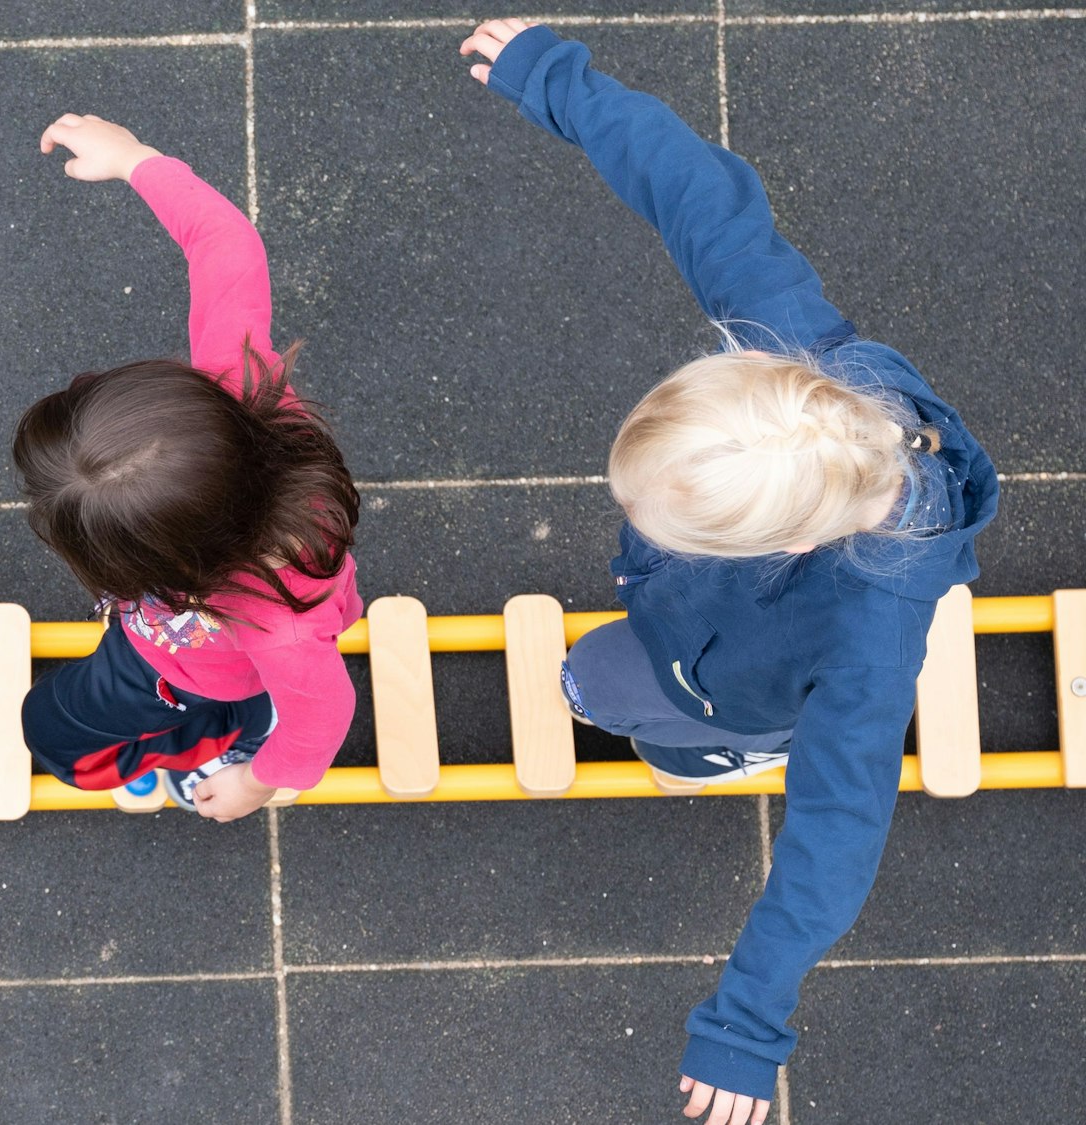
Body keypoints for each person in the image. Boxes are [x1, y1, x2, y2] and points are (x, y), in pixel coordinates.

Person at [462, 20, 999, 1124]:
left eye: (664, 519)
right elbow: (697, 195)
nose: (630, 518)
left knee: (641, 711)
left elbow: (835, 838)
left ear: (786, 543)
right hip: (693, 619)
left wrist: (744, 1026)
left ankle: (725, 749)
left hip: (738, 680)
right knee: (596, 678)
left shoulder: (865, 644)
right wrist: (553, 82)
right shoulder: (790, 359)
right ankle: (679, 693)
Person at [13, 114, 364, 824]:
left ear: (166, 565)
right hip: (177, 635)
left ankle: (224, 734)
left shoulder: (277, 628)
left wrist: (255, 782)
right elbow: (223, 242)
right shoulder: (236, 380)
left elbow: (324, 718)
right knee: (54, 712)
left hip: (194, 676)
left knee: (53, 735)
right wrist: (139, 160)